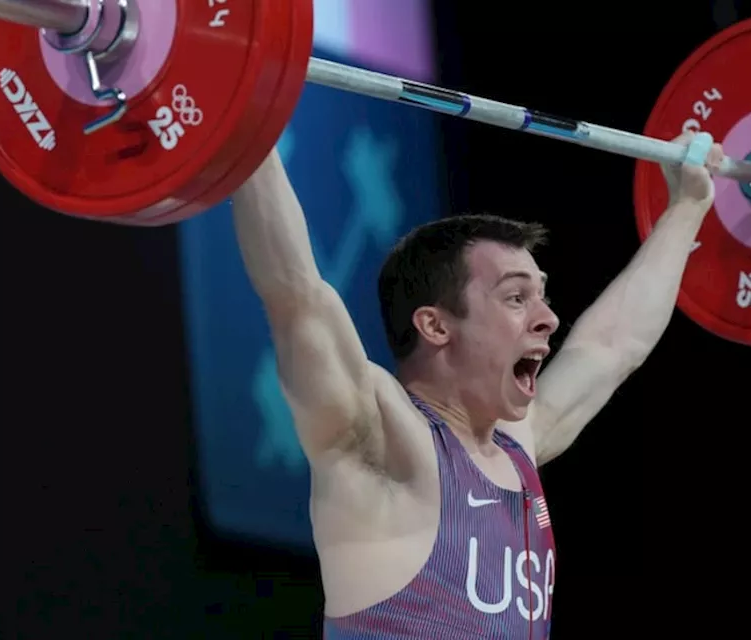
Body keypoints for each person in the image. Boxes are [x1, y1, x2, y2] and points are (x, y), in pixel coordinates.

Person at [230, 132, 724, 639]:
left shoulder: (518, 445)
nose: (549, 319)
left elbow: (613, 346)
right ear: (436, 326)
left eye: (542, 297)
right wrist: (248, 118)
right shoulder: (380, 442)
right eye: (516, 298)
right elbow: (295, 292)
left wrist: (687, 206)